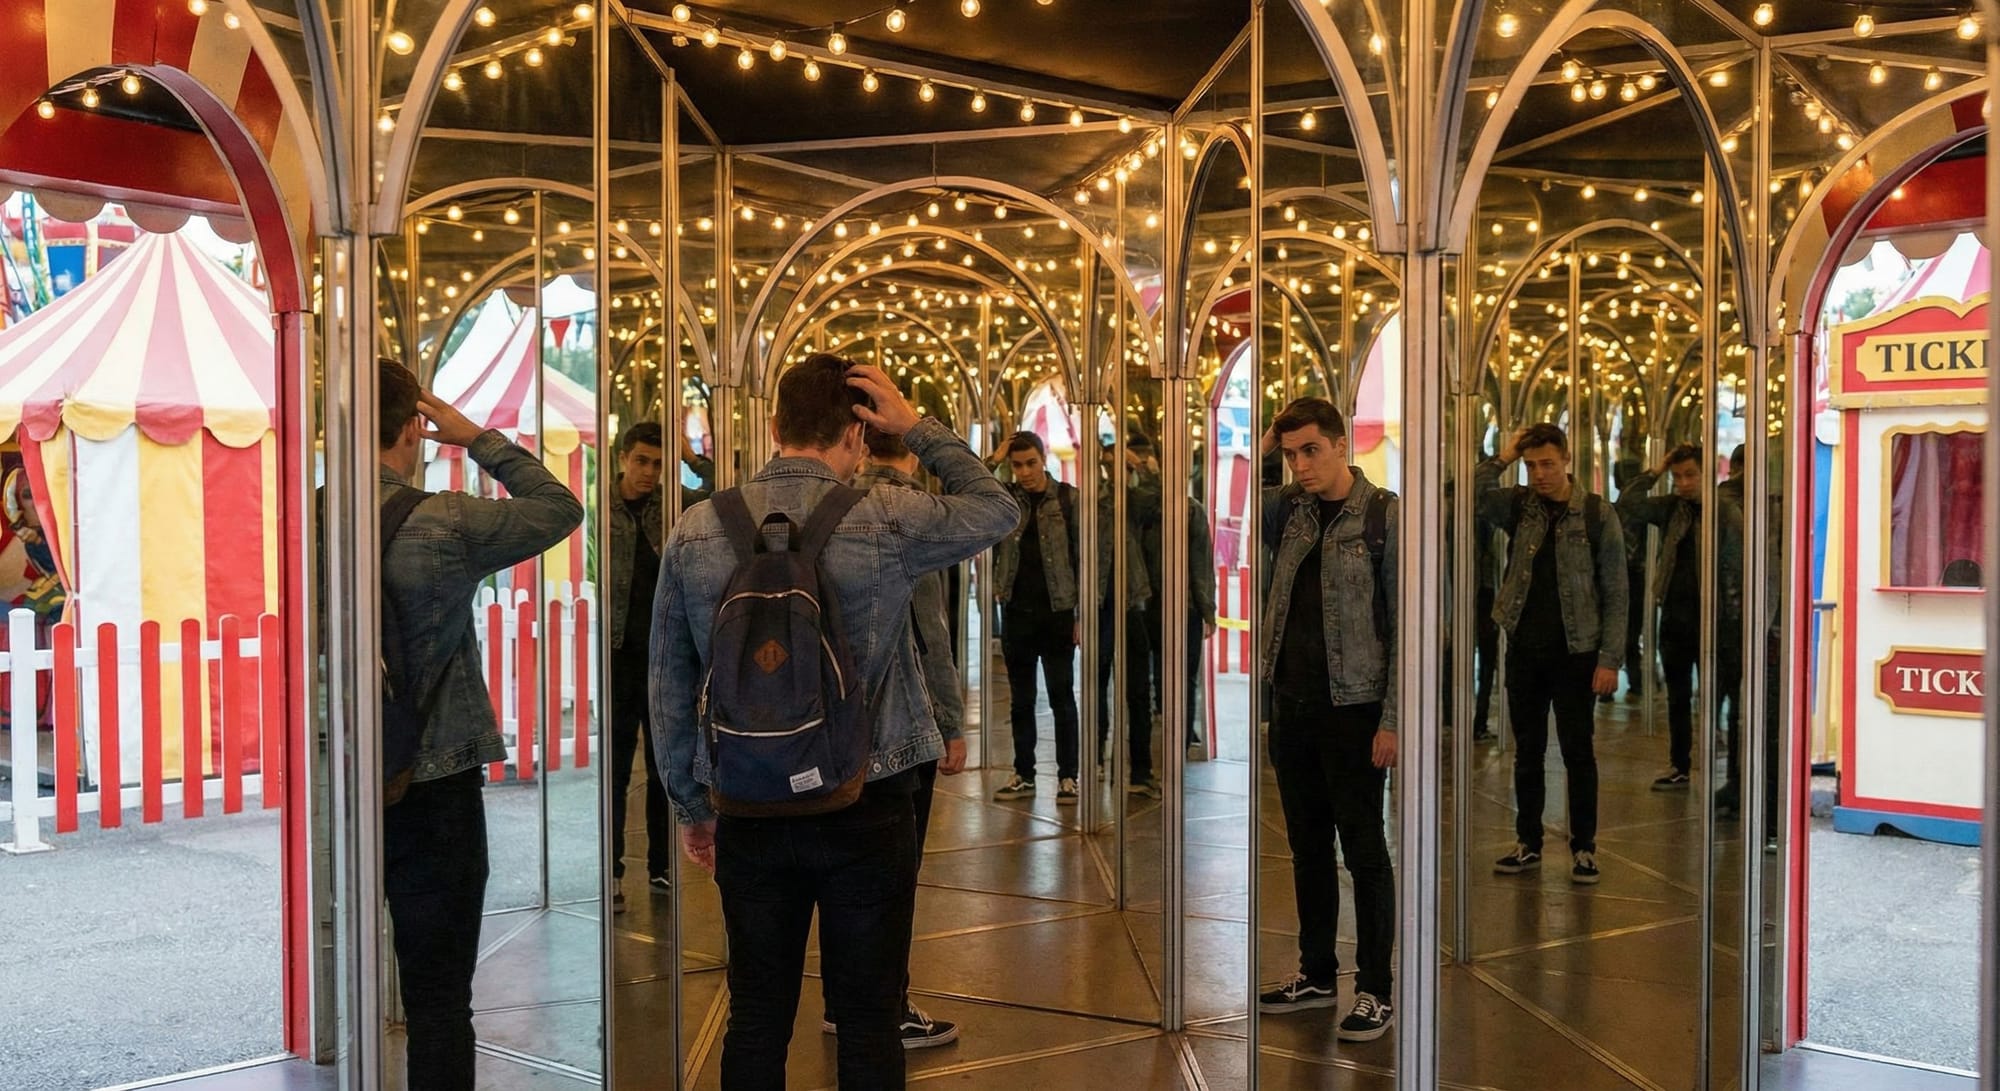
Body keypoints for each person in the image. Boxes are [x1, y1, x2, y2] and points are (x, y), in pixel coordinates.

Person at [651, 354, 1015, 1089]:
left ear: (776, 425)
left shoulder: (695, 528)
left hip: (748, 800)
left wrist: (693, 806)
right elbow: (997, 508)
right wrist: (915, 427)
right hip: (867, 796)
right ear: (858, 430)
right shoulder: (885, 516)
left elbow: (667, 683)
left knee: (756, 1014)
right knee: (868, 1017)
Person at [376, 359, 583, 1090]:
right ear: (413, 427)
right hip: (434, 776)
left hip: (342, 780)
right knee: (438, 998)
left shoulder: (314, 515)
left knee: (354, 987)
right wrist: (476, 439)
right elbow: (558, 505)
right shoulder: (443, 520)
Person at [1252, 398, 1399, 1043]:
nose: (1300, 465)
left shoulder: (1383, 516)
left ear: (1342, 446)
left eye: (1311, 450)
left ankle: (1375, 987)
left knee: (1364, 849)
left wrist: (1392, 720)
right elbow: (1245, 510)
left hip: (1356, 709)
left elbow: (1406, 628)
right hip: (1294, 707)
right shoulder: (1290, 512)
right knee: (1307, 848)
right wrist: (1263, 452)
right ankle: (1316, 970)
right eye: (1290, 455)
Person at [821, 427, 970, 1049]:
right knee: (890, 885)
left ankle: (839, 1000)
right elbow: (927, 627)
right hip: (899, 729)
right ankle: (887, 1005)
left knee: (837, 881)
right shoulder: (909, 515)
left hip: (824, 725)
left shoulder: (831, 509)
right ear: (909, 449)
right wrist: (951, 721)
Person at [1476, 423, 1627, 885]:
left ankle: (1584, 846)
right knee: (1528, 751)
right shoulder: (1521, 507)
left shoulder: (1597, 514)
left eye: (1546, 463)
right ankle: (1529, 842)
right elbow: (1472, 494)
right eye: (1530, 465)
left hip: (1578, 652)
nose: (1539, 474)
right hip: (1526, 647)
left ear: (1566, 461)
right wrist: (1501, 456)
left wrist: (1609, 659)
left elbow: (1616, 589)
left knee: (1579, 752)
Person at [990, 431, 1085, 804]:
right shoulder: (1006, 499)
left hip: (1058, 611)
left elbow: (1084, 559)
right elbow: (966, 490)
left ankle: (1068, 776)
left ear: (1043, 459)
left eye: (1031, 463)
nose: (1025, 472)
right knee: (1021, 700)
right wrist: (994, 458)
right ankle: (1023, 772)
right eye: (1017, 465)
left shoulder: (1066, 499)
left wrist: (1081, 614)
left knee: (1062, 696)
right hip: (1016, 612)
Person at [1617, 444, 1713, 791]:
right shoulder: (1673, 509)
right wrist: (1655, 470)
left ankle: (1722, 759)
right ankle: (1680, 763)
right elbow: (1628, 502)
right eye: (1678, 477)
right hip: (1675, 613)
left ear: (1706, 473)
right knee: (1677, 694)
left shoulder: (1722, 510)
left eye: (1690, 475)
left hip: (1711, 616)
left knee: (1715, 692)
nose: (1683, 483)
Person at [606, 422, 672, 912]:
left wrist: (692, 457)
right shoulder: (600, 509)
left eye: (658, 462)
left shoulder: (672, 508)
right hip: (614, 655)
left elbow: (725, 488)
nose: (649, 472)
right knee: (614, 767)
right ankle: (611, 870)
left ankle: (663, 865)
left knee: (663, 765)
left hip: (663, 656)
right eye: (642, 461)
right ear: (624, 457)